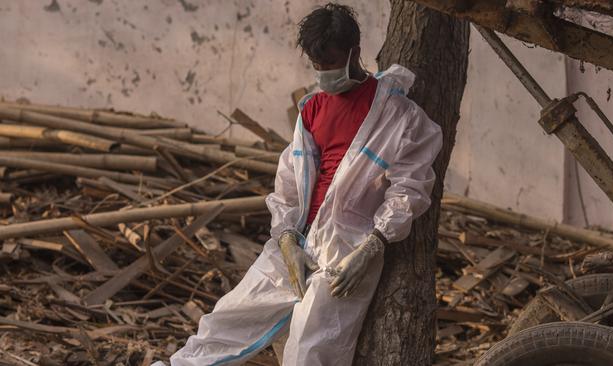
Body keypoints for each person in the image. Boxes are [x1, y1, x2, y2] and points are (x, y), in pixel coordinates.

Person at [153, 3, 442, 365]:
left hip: (346, 250)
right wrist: (287, 236)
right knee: (226, 321)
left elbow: (410, 189)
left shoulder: (399, 118)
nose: (324, 72)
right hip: (297, 240)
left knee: (311, 352)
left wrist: (372, 247)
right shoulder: (313, 109)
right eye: (317, 65)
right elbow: (289, 179)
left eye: (331, 62)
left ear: (355, 52)